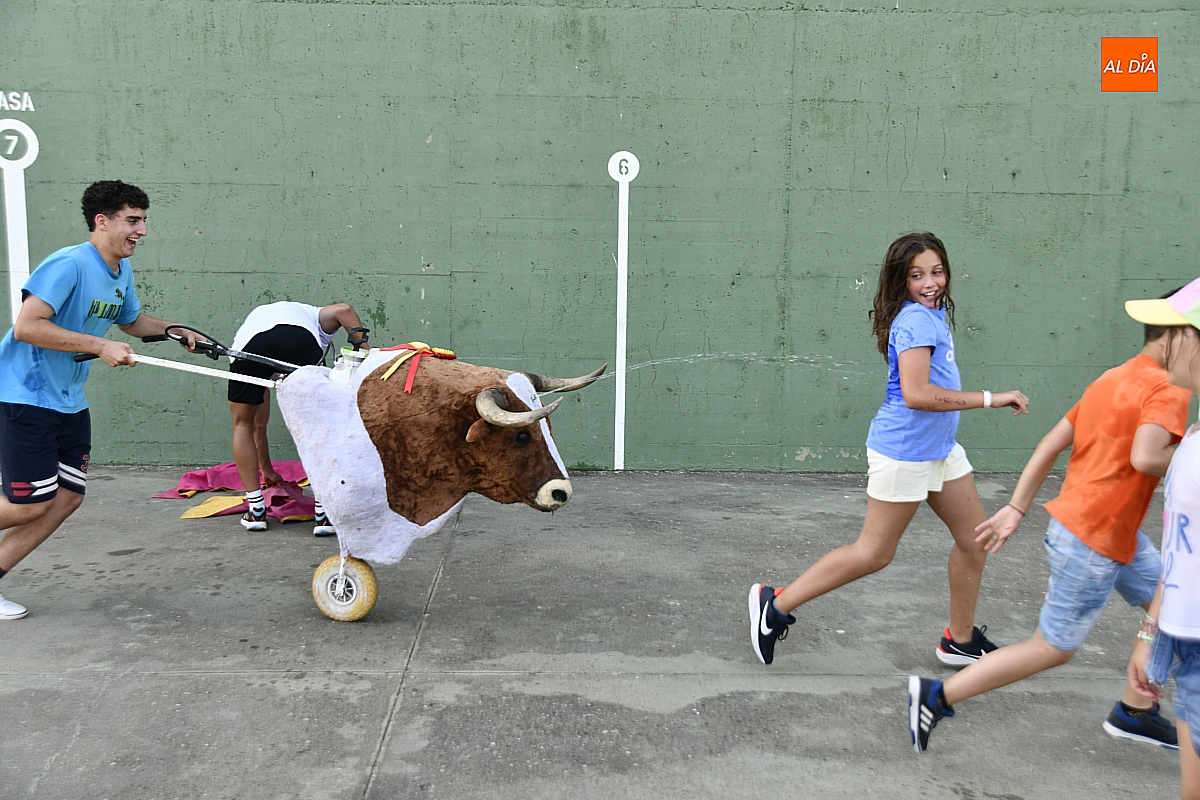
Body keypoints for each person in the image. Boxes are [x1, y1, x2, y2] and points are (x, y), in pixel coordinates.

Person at [908, 287, 1192, 754]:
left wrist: (1016, 508)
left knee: (1177, 608)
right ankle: (936, 696)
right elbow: (1146, 457)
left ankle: (1135, 711)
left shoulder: (1112, 377)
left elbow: (1049, 443)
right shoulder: (1169, 387)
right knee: (1052, 648)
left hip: (1105, 534)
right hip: (1093, 541)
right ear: (1179, 336)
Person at [750, 232, 1029, 666]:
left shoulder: (930, 314)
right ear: (901, 280)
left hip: (939, 449)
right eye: (917, 275)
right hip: (904, 452)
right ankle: (775, 605)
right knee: (875, 553)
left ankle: (960, 641)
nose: (930, 282)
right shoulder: (916, 320)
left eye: (937, 272)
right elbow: (917, 394)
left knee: (976, 540)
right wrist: (991, 398)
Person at [0, 180, 201, 621]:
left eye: (143, 220)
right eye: (133, 220)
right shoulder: (70, 264)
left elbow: (131, 321)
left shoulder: (119, 271)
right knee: (27, 504)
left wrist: (176, 331)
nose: (142, 230)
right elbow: (27, 327)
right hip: (27, 396)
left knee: (67, 498)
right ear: (102, 221)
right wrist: (98, 345)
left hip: (68, 400)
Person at [1126, 277, 1200, 799]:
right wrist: (1151, 636)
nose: (1163, 340)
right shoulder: (1191, 438)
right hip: (1184, 642)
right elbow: (1180, 550)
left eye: (1175, 330)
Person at [226, 301, 368, 535]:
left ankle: (256, 511)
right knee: (321, 426)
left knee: (243, 424)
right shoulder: (312, 316)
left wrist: (267, 469)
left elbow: (258, 425)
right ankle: (323, 514)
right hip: (298, 340)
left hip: (249, 347)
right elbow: (343, 310)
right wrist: (364, 354)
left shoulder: (253, 325)